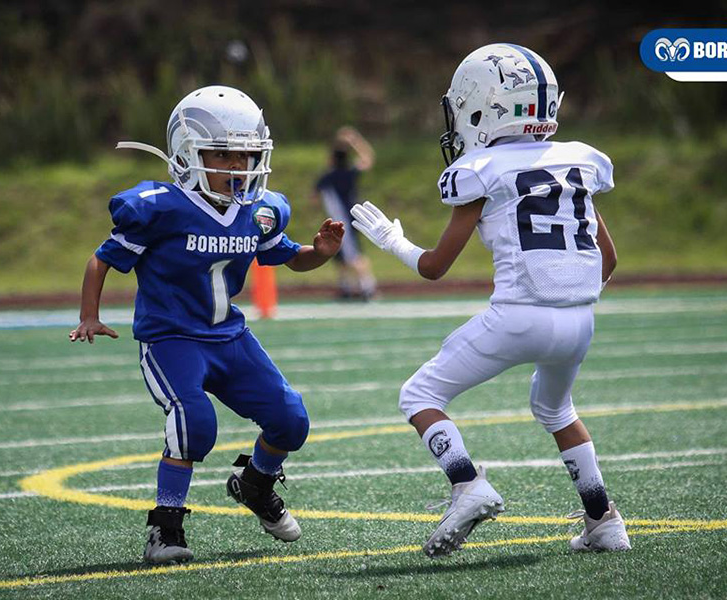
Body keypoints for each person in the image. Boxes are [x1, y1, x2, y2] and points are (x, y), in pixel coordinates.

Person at [351, 43, 628, 557]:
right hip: (580, 322)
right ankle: (603, 520)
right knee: (555, 408)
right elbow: (607, 259)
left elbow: (435, 267)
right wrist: (567, 295)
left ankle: (465, 482)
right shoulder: (579, 161)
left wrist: (393, 242)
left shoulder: (481, 169)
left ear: (484, 106)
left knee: (419, 395)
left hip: (518, 316)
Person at [70, 86, 344, 565]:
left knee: (291, 420)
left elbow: (284, 257)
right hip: (172, 338)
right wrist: (89, 315)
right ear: (186, 152)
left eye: (246, 155)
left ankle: (255, 484)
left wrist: (316, 254)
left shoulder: (259, 211)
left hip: (229, 336)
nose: (238, 167)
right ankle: (165, 527)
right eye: (224, 155)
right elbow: (102, 260)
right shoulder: (158, 207)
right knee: (194, 423)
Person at [312, 126, 378, 300]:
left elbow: (314, 198)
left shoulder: (327, 177)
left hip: (342, 220)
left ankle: (367, 287)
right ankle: (347, 287)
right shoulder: (350, 173)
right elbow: (368, 159)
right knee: (340, 255)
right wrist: (354, 140)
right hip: (350, 217)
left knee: (351, 254)